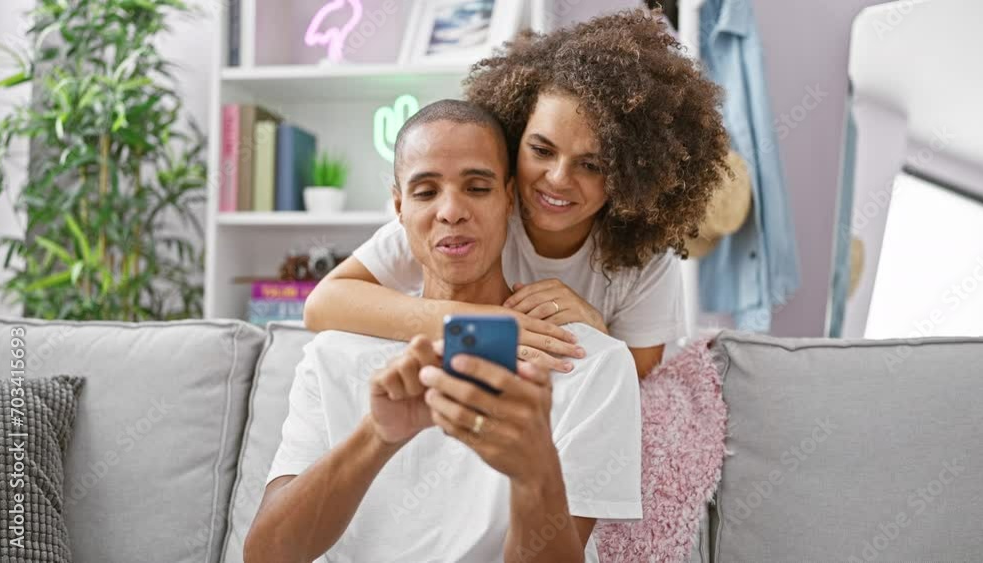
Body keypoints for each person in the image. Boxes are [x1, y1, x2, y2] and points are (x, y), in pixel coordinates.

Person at [245, 101, 642, 563]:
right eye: (425, 192)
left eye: (477, 188)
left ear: (509, 199)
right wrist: (377, 437)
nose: (451, 211)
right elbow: (266, 556)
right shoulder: (333, 354)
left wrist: (535, 474)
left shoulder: (593, 365)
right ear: (398, 206)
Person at [302, 10, 730, 378]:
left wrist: (592, 326)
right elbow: (323, 304)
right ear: (513, 137)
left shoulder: (642, 258)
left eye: (592, 164)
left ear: (632, 173)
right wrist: (483, 323)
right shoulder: (469, 217)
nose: (558, 178)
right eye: (541, 150)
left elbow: (640, 371)